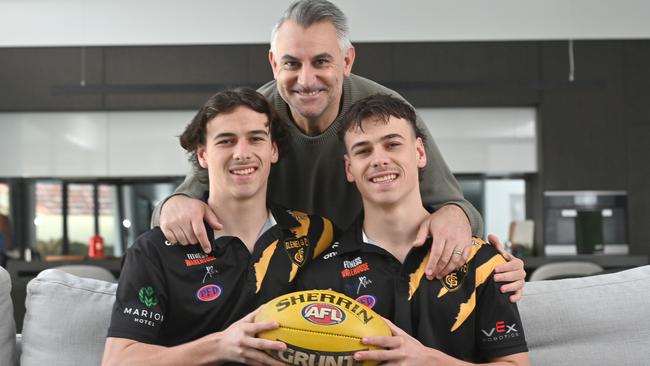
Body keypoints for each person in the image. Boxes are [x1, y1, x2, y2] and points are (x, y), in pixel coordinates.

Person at [152, 0, 526, 293]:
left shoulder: (389, 113)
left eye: (321, 62)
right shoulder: (252, 119)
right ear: (273, 64)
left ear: (346, 60)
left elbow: (456, 206)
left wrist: (456, 220)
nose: (306, 79)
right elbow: (181, 203)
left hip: (365, 275)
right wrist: (175, 205)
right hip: (272, 275)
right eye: (291, 63)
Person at [102, 88, 336, 366]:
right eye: (226, 141)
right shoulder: (154, 251)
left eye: (255, 139)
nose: (242, 153)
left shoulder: (317, 234)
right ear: (202, 155)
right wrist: (219, 346)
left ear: (273, 150)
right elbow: (118, 360)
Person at [296, 94, 529, 365]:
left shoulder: (483, 263)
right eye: (363, 150)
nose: (379, 160)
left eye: (392, 144)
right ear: (350, 168)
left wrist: (427, 360)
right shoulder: (319, 278)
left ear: (419, 152)